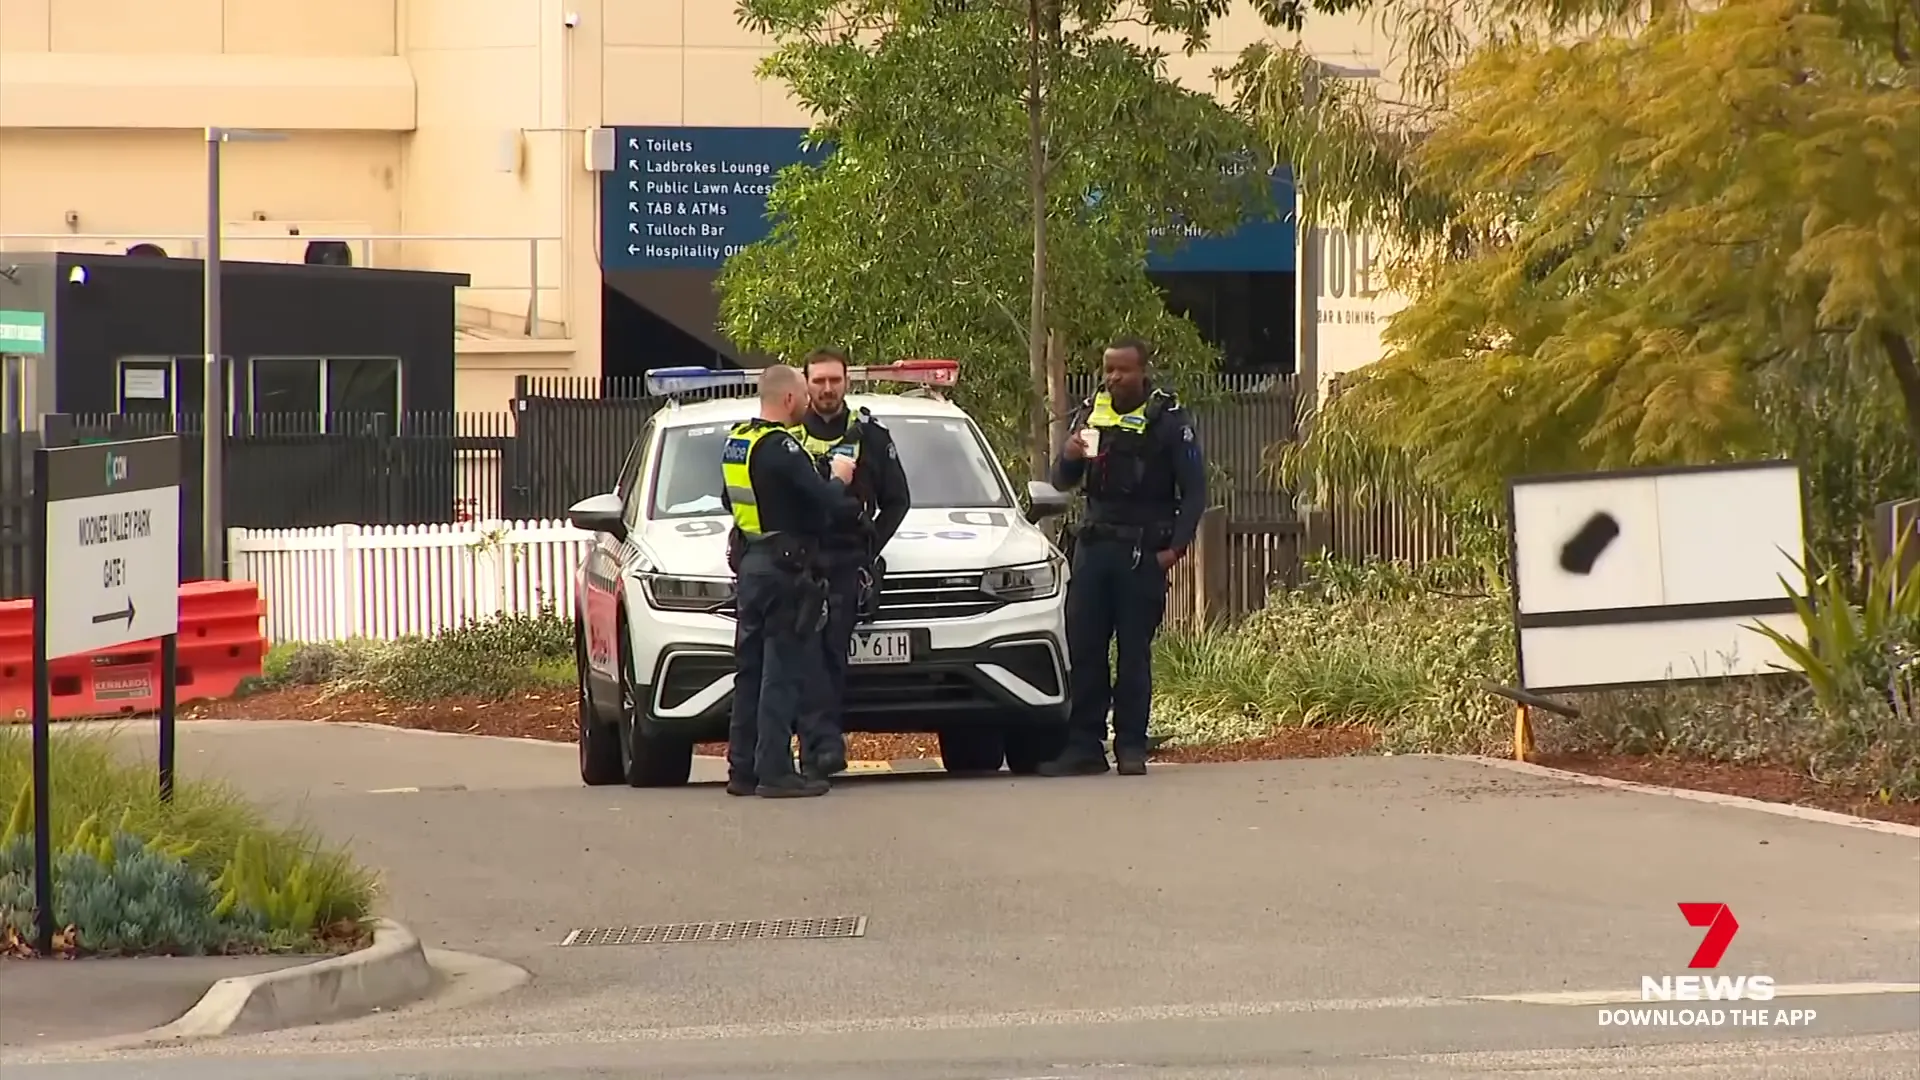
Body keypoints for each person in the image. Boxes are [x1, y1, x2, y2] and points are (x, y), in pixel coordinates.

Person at [1038, 336, 1206, 778]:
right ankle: (1084, 748)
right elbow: (1062, 480)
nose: (1113, 378)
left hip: (1142, 554)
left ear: (1142, 372)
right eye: (1108, 369)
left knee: (1133, 655)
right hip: (1094, 550)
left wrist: (1174, 550)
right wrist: (1070, 456)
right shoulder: (1095, 414)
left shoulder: (1167, 421)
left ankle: (1131, 746)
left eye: (1123, 370)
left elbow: (1194, 492)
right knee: (1086, 650)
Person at [720, 364, 859, 798]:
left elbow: (730, 497)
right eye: (802, 394)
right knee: (781, 672)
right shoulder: (781, 445)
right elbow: (824, 500)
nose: (808, 400)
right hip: (784, 569)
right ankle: (775, 770)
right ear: (787, 400)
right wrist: (839, 478)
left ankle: (742, 768)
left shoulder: (739, 440)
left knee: (750, 670)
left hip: (752, 564)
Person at [793, 348, 913, 783]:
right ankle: (818, 749)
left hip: (846, 561)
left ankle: (824, 745)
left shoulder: (872, 437)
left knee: (831, 656)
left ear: (847, 383)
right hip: (799, 562)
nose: (827, 389)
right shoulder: (787, 435)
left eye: (834, 381)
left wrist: (871, 547)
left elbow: (899, 501)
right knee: (807, 656)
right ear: (806, 383)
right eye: (819, 381)